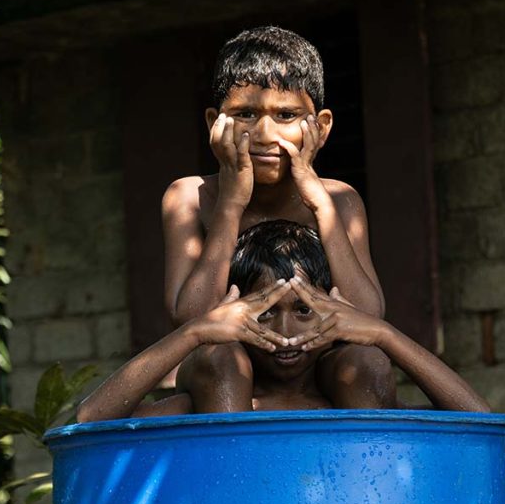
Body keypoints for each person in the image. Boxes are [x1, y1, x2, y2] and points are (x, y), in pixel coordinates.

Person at [161, 25, 393, 413]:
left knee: (367, 364)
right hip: (215, 368)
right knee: (224, 360)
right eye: (245, 114)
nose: (265, 134)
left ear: (320, 126)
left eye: (286, 115)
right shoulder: (188, 196)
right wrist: (232, 203)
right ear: (213, 124)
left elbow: (367, 320)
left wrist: (320, 203)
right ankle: (236, 470)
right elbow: (193, 321)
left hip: (310, 365)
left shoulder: (340, 200)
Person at [77, 221, 489, 421]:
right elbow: (88, 421)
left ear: (334, 311)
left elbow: (480, 420)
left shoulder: (351, 401)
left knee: (369, 362)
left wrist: (383, 335)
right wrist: (197, 331)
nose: (286, 334)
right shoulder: (206, 407)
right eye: (265, 312)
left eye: (304, 311)